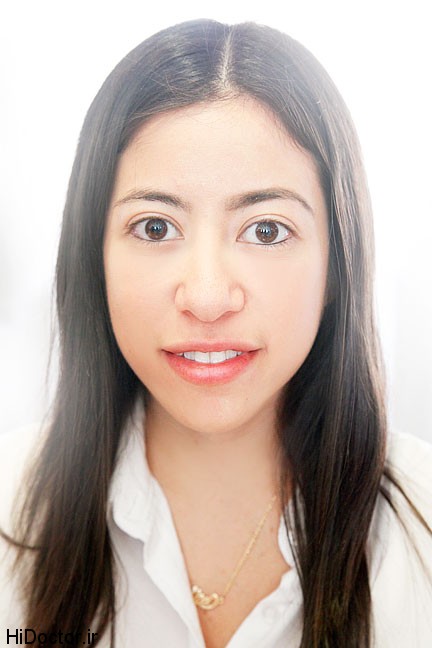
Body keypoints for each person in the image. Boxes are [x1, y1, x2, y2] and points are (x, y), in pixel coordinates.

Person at [0, 18, 431, 648]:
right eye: (154, 227)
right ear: (94, 256)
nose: (206, 297)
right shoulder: (9, 506)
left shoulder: (420, 533)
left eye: (266, 230)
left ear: (337, 265)